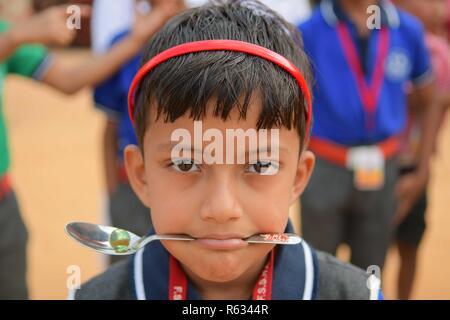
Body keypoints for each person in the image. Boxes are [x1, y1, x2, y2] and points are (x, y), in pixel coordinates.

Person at [72, 0, 381, 300]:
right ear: (140, 176)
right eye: (184, 163)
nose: (222, 209)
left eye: (260, 166)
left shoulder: (357, 294)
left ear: (298, 178)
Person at [0, 2, 182, 299]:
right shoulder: (13, 36)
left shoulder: (9, 35)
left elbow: (71, 80)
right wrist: (16, 37)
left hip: (3, 204)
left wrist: (136, 40)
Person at [298, 0, 441, 271]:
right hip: (324, 167)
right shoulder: (309, 32)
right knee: (317, 269)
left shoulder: (406, 29)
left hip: (383, 170)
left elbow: (430, 98)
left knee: (371, 273)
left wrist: (422, 170)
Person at [92, 0, 185, 265]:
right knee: (126, 270)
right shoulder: (123, 45)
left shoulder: (207, 38)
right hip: (130, 186)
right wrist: (114, 195)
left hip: (187, 184)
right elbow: (109, 129)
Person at [393, 0, 450, 300]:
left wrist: (423, 168)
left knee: (410, 243)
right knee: (372, 245)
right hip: (382, 161)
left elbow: (437, 102)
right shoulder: (385, 36)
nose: (435, 9)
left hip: (415, 161)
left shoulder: (438, 51)